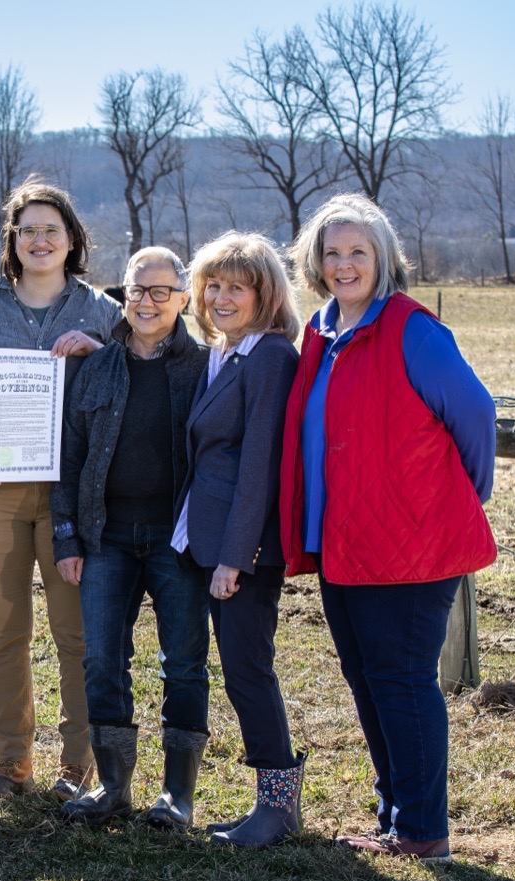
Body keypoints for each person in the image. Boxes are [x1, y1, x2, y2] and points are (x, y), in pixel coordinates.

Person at [281, 193, 496, 861]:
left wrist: (453, 498)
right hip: (343, 539)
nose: (344, 264)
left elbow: (477, 417)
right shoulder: (320, 331)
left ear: (384, 260)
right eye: (333, 252)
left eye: (359, 252)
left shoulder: (410, 329)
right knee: (367, 674)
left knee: (400, 677)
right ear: (316, 262)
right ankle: (395, 815)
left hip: (412, 543)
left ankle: (424, 829)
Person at [0, 181, 121, 801]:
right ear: (12, 240)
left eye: (52, 230)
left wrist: (99, 354)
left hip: (75, 495)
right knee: (3, 630)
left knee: (77, 633)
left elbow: (133, 393)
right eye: (28, 230)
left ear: (73, 240)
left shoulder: (101, 311)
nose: (40, 240)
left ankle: (78, 767)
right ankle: (12, 761)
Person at [51, 247, 209, 827]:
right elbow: (68, 461)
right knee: (102, 660)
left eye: (160, 291)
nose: (146, 301)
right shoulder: (98, 368)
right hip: (105, 539)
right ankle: (113, 787)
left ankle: (178, 797)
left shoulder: (205, 369)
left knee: (185, 661)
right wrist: (66, 540)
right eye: (136, 290)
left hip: (179, 539)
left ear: (183, 298)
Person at [169, 232, 305, 846]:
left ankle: (278, 808)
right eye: (212, 286)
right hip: (206, 539)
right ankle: (270, 805)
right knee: (237, 668)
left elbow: (260, 464)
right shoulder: (224, 353)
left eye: (237, 288)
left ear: (265, 294)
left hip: (242, 548)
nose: (221, 297)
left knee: (249, 669)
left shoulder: (271, 356)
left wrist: (237, 558)